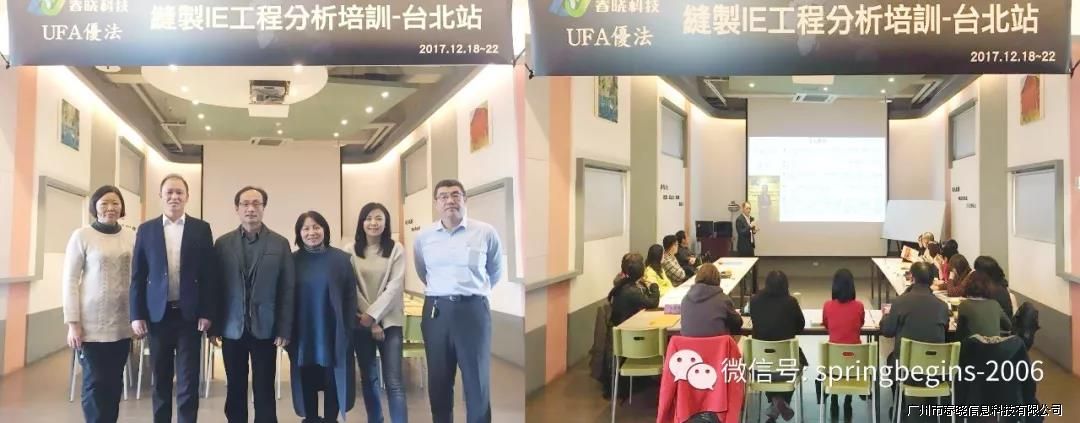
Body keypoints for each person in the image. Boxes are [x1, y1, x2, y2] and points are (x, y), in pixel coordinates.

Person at [130, 174, 217, 423]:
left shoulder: (201, 229)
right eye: (169, 192)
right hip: (158, 316)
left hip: (190, 316)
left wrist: (207, 312)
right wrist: (136, 314)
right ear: (161, 196)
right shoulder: (146, 230)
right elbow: (138, 275)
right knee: (161, 379)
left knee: (189, 381)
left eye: (179, 192)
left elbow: (209, 274)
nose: (174, 197)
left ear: (187, 196)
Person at [414, 179, 503, 423]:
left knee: (477, 380)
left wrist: (472, 292)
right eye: (443, 196)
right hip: (436, 312)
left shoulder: (485, 232)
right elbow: (423, 272)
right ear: (436, 203)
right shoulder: (424, 237)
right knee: (439, 381)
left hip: (473, 310)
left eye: (455, 195)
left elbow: (495, 271)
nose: (450, 200)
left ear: (465, 199)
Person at [213, 186, 296, 423]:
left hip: (266, 328)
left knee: (265, 387)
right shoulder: (223, 243)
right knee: (235, 387)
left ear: (263, 208)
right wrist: (214, 326)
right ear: (237, 208)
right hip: (232, 327)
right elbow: (215, 288)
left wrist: (284, 329)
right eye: (245, 204)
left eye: (256, 204)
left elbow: (287, 289)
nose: (251, 208)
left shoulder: (279, 244)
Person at [63, 185, 136, 423]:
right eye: (104, 203)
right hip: (91, 326)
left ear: (122, 207)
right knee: (95, 383)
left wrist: (138, 317)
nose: (110, 208)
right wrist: (73, 324)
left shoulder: (131, 236)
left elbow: (138, 278)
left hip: (122, 324)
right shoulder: (82, 236)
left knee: (114, 383)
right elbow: (70, 280)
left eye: (115, 203)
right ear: (95, 207)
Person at [289, 211, 358, 422]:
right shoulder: (291, 261)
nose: (312, 232)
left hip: (333, 330)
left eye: (316, 227)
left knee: (332, 379)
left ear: (325, 230)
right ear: (299, 233)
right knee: (306, 378)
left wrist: (347, 329)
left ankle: (330, 419)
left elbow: (350, 297)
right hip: (303, 332)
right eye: (306, 228)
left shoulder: (341, 259)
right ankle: (310, 418)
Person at [348, 203, 408, 423]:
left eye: (379, 218)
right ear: (361, 222)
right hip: (362, 322)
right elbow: (351, 288)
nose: (373, 223)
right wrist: (370, 320)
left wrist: (374, 317)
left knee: (394, 382)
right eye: (369, 218)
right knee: (369, 378)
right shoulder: (350, 250)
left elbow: (395, 287)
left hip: (390, 322)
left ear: (386, 222)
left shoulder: (396, 249)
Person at [748, 271, 806, 423]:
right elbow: (800, 326)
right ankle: (779, 402)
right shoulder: (791, 302)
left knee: (769, 364)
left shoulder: (754, 301)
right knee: (799, 361)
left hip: (760, 370)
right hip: (787, 370)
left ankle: (775, 403)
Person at [606, 257, 660, 401]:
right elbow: (652, 303)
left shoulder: (622, 286)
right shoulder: (632, 291)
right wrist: (654, 287)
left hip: (621, 335)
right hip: (630, 339)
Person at [880, 262, 950, 364]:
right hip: (933, 367)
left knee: (891, 358)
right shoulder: (943, 306)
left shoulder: (900, 302)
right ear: (932, 281)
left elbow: (887, 331)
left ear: (912, 278)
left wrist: (885, 316)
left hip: (905, 365)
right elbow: (945, 332)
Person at [821, 268, 865, 419]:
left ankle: (833, 400)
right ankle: (848, 400)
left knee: (837, 358)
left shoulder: (828, 306)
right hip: (855, 365)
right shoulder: (859, 306)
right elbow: (861, 324)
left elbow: (826, 325)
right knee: (850, 355)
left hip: (833, 365)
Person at [679, 263, 742, 337]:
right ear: (718, 279)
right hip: (717, 344)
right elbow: (738, 323)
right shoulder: (723, 300)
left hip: (688, 344)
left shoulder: (685, 300)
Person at [956, 271, 1012, 341]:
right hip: (994, 346)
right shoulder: (995, 304)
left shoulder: (964, 305)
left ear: (968, 286)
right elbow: (1009, 325)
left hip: (972, 346)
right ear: (988, 287)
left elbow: (959, 334)